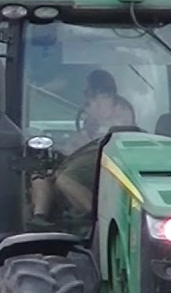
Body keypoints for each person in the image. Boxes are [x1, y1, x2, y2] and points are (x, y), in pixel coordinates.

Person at [29, 70, 137, 224]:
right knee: (41, 172)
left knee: (66, 179)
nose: (86, 96)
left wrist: (94, 114)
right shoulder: (91, 112)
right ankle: (39, 218)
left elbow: (119, 134)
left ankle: (97, 218)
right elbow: (83, 137)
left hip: (109, 152)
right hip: (88, 152)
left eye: (88, 91)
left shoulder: (120, 107)